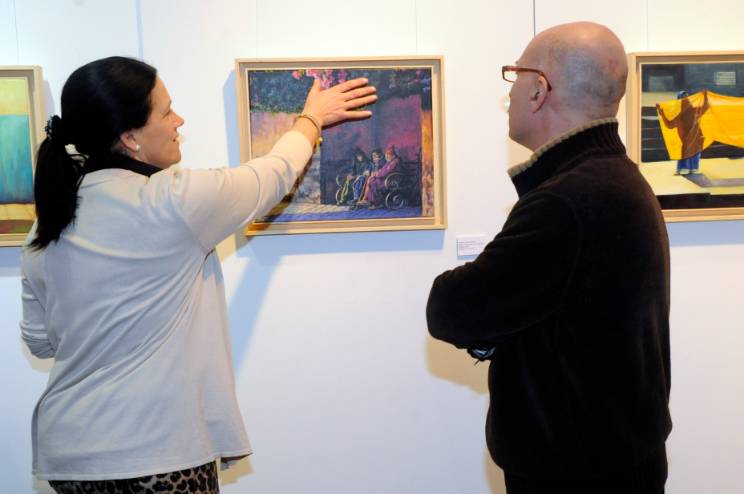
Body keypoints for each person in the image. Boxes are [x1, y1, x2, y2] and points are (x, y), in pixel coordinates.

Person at [19, 56, 376, 493]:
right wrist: (311, 119)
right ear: (130, 138)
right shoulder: (172, 201)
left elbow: (40, 341)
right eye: (166, 111)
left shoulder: (46, 227)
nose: (179, 121)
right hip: (154, 454)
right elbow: (273, 173)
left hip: (70, 456)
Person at [426, 22, 671, 494]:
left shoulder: (566, 201)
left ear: (539, 89)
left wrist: (497, 330)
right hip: (612, 457)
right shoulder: (616, 178)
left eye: (514, 75)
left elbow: (450, 309)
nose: (509, 93)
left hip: (577, 473)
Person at [657, 90, 709, 175]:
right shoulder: (681, 116)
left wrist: (705, 96)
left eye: (686, 99)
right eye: (683, 99)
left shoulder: (693, 111)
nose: (686, 101)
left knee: (692, 153)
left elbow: (706, 107)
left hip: (696, 139)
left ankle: (691, 169)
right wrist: (662, 113)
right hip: (688, 141)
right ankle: (685, 169)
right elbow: (669, 125)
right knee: (686, 154)